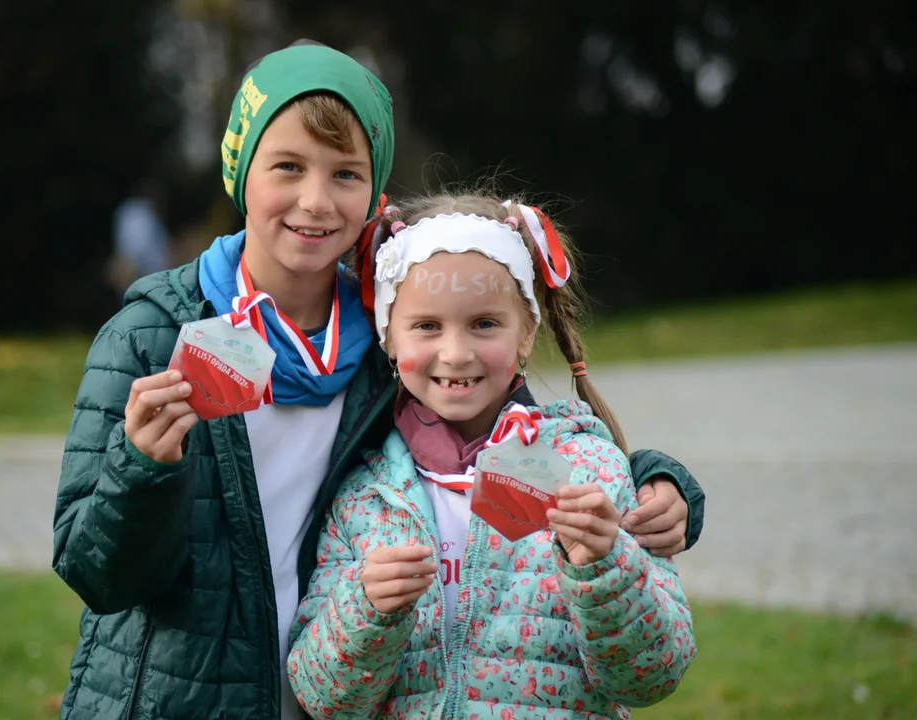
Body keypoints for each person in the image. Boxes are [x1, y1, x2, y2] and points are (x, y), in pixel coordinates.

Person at [52, 41, 703, 720]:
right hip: (180, 702)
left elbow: (497, 423)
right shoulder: (152, 336)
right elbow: (97, 573)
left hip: (323, 695)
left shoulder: (386, 332)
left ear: (373, 189)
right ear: (239, 170)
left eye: (345, 174)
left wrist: (660, 484)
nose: (315, 199)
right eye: (287, 167)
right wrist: (143, 468)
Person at [287, 192, 696, 719]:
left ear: (527, 332)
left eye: (484, 324)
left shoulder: (590, 473)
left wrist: (607, 567)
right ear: (389, 337)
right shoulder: (362, 495)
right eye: (427, 326)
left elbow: (653, 676)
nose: (456, 353)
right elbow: (324, 702)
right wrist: (365, 612)